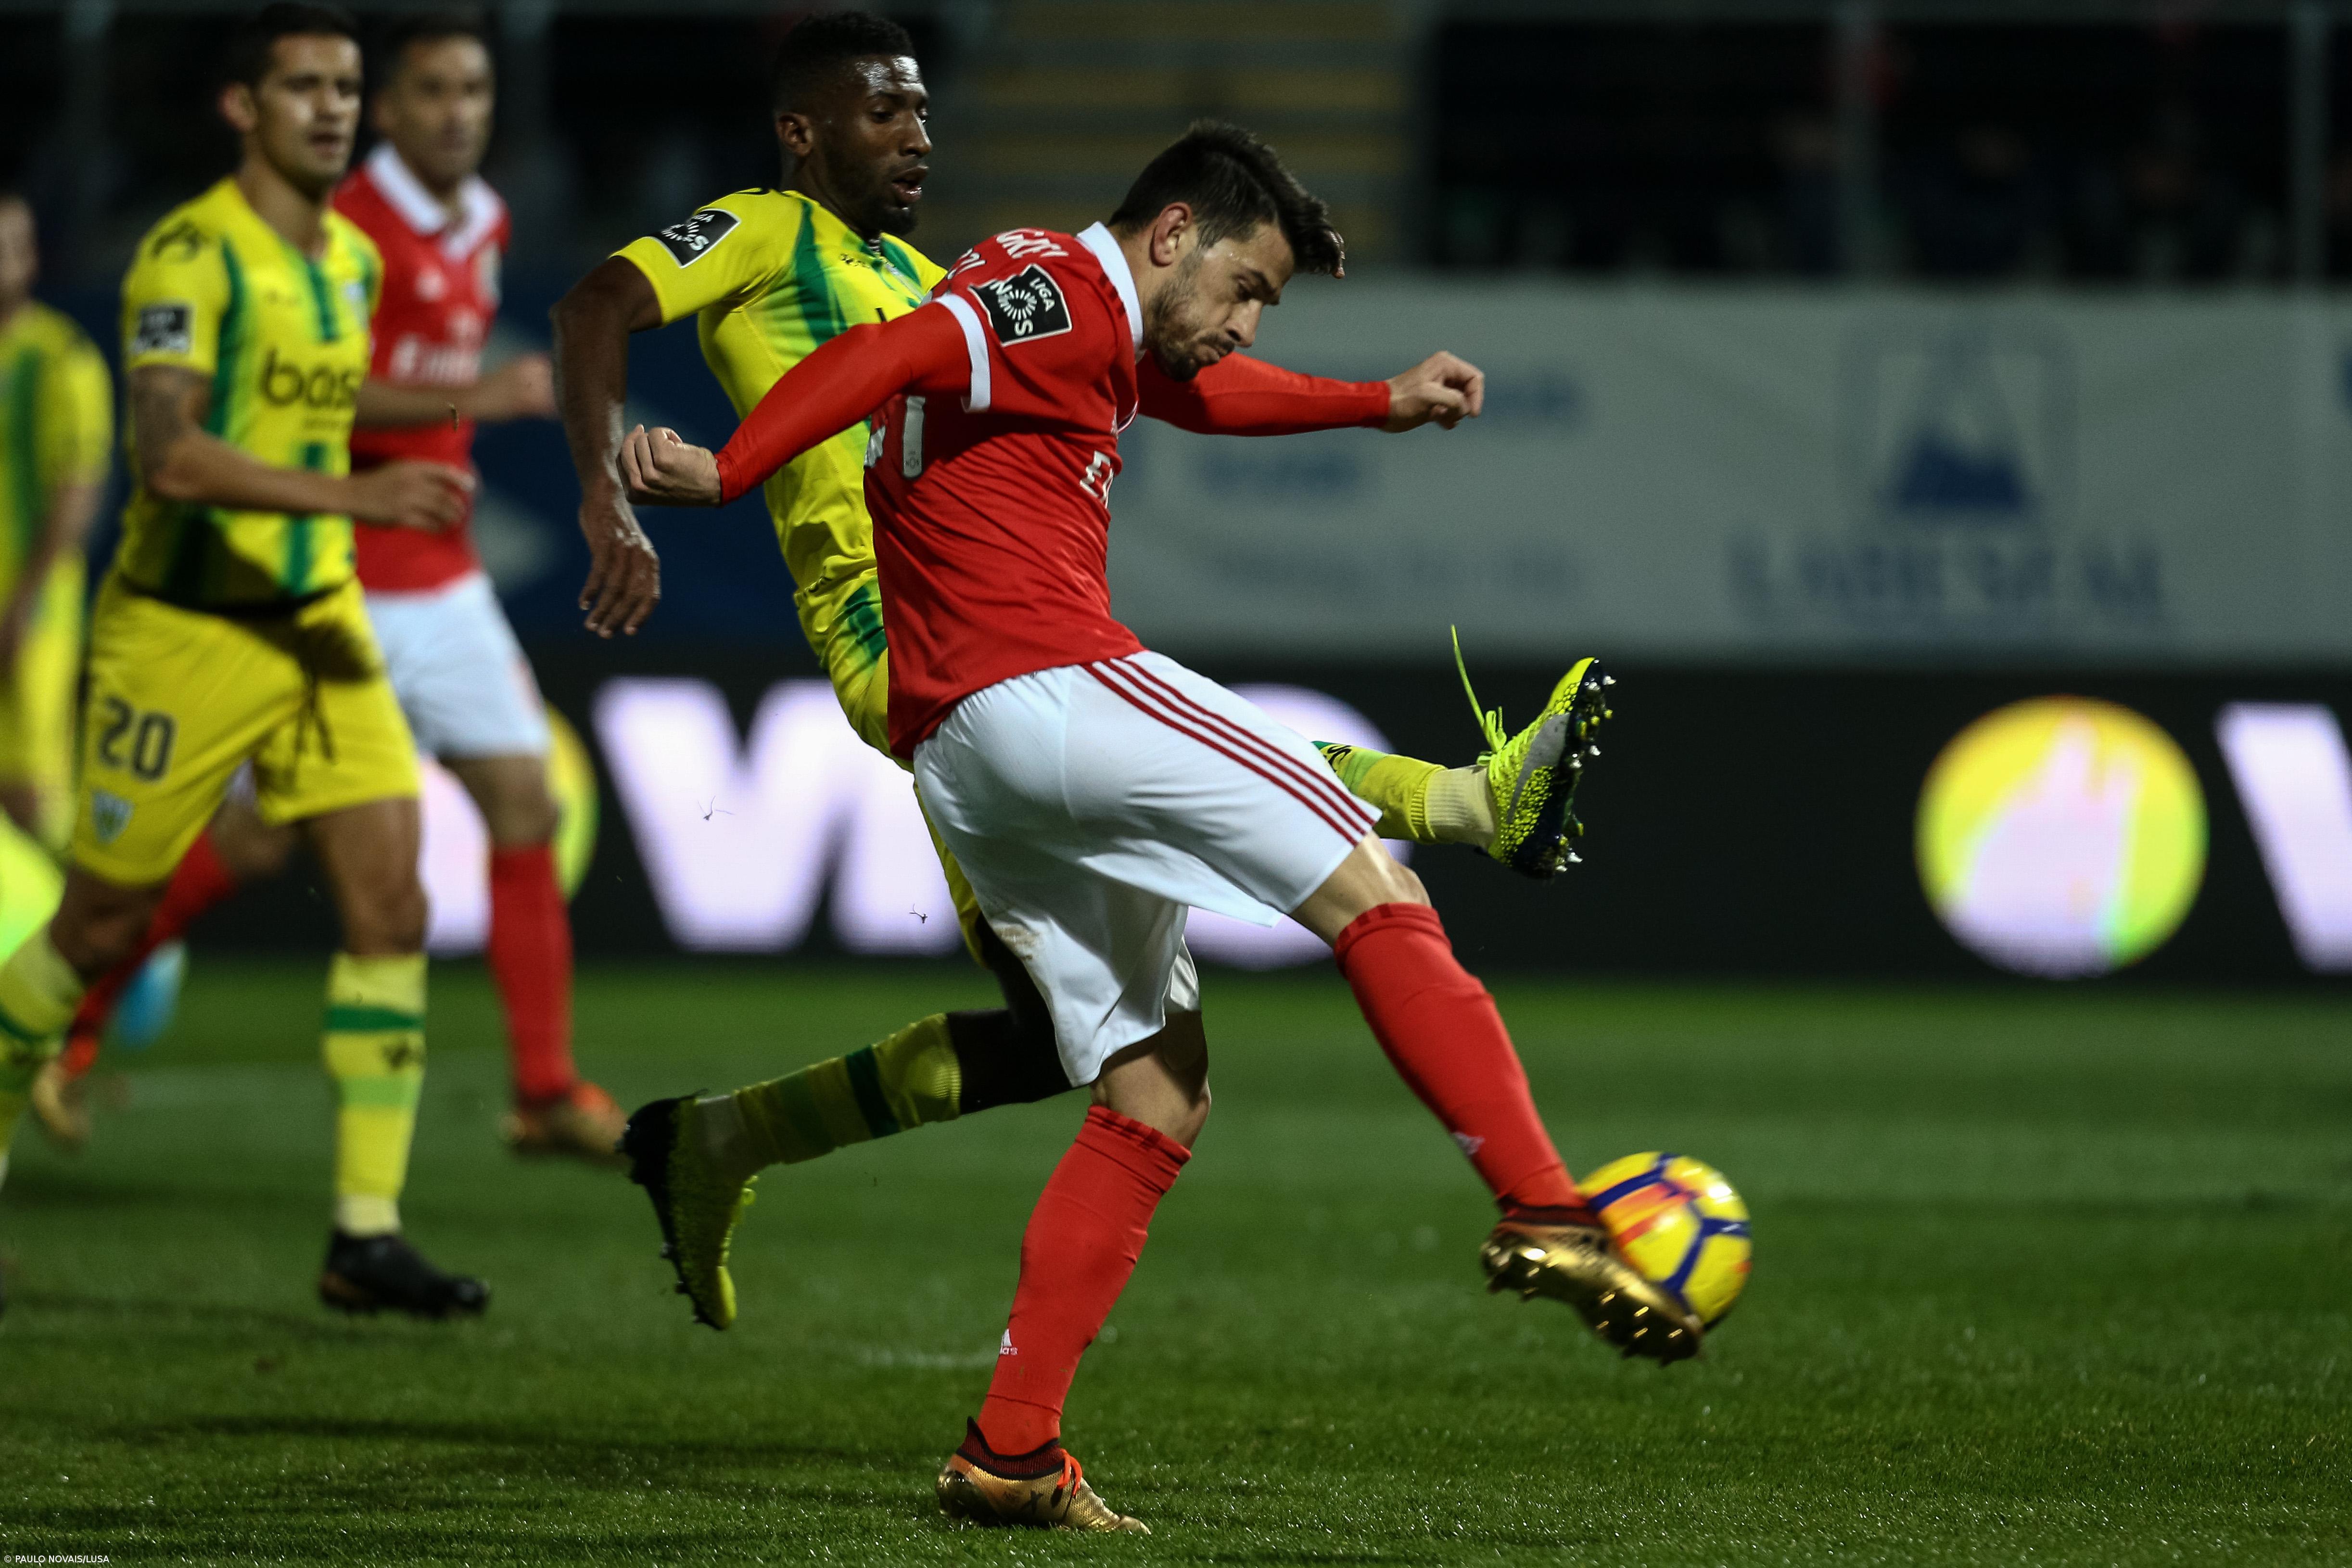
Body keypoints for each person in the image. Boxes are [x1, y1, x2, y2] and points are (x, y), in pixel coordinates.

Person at [618, 120, 1693, 1531]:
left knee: (1156, 1088)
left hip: (967, 747)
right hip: (1043, 684)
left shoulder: (1082, 318)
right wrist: (733, 468)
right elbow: (892, 351)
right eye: (1246, 287)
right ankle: (1542, 1202)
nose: (1246, 323)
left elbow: (1196, 393)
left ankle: (1010, 1452)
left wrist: (1377, 400)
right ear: (1173, 233)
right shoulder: (1056, 286)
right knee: (1370, 885)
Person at [36, 9, 623, 1167]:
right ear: (387, 112)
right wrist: (473, 398)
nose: (457, 114)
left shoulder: (485, 217)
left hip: (442, 576)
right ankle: (71, 1033)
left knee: (525, 802)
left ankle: (544, 1090)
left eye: (476, 92)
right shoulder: (340, 226)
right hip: (338, 568)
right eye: (432, 92)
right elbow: (312, 395)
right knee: (252, 843)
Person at [0, 2, 491, 1318]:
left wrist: (466, 398)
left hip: (318, 624)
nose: (334, 109)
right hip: (187, 630)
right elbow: (171, 454)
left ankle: (365, 1233)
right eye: (304, 87)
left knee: (392, 906)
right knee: (99, 925)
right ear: (242, 108)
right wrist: (356, 497)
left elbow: (318, 399)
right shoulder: (188, 254)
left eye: (347, 87)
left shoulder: (348, 258)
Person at [0, 194, 111, 859]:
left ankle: (77, 909)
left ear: (32, 259)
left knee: (29, 791)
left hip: (31, 603)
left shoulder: (60, 357)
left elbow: (78, 489)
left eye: (11, 247)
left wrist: (26, 598)